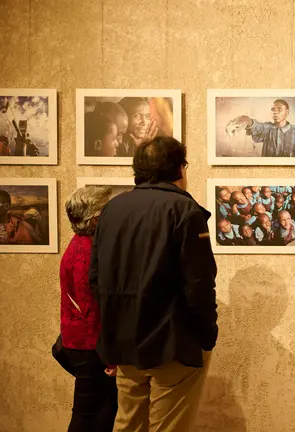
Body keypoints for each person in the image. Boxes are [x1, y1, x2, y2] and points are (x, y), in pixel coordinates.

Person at [89, 136, 218, 431]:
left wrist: (107, 338)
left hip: (123, 341)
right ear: (179, 169)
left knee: (128, 423)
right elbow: (198, 283)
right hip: (172, 342)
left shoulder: (112, 209)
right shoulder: (185, 211)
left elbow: (95, 279)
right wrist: (207, 335)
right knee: (169, 426)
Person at [60, 186, 118, 431]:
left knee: (100, 409)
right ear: (96, 218)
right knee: (90, 413)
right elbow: (91, 308)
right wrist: (109, 356)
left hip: (84, 342)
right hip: (87, 345)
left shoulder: (84, 243)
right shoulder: (85, 253)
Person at [225, 99, 295, 157]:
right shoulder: (267, 128)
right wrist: (246, 119)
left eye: (280, 109)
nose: (275, 112)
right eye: (273, 109)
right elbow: (257, 126)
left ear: (287, 112)